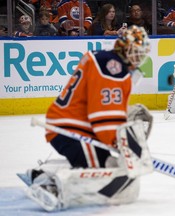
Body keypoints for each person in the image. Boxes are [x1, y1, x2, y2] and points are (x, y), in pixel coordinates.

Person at [22, 25, 153, 211]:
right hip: (72, 130)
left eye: (142, 53)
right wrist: (121, 144)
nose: (139, 58)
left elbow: (100, 105)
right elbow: (103, 116)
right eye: (136, 51)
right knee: (102, 173)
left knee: (106, 163)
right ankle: (48, 186)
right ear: (124, 48)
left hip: (71, 127)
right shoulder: (112, 67)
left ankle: (42, 175)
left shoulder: (104, 58)